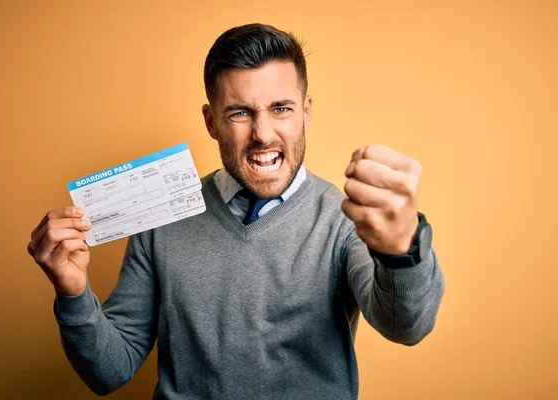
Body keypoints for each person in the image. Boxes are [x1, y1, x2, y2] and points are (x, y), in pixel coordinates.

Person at [27, 23, 445, 400]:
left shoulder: (342, 219)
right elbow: (110, 371)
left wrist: (400, 251)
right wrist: (73, 293)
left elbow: (405, 326)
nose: (263, 134)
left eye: (280, 108)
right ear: (212, 122)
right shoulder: (162, 218)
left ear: (306, 112)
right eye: (240, 113)